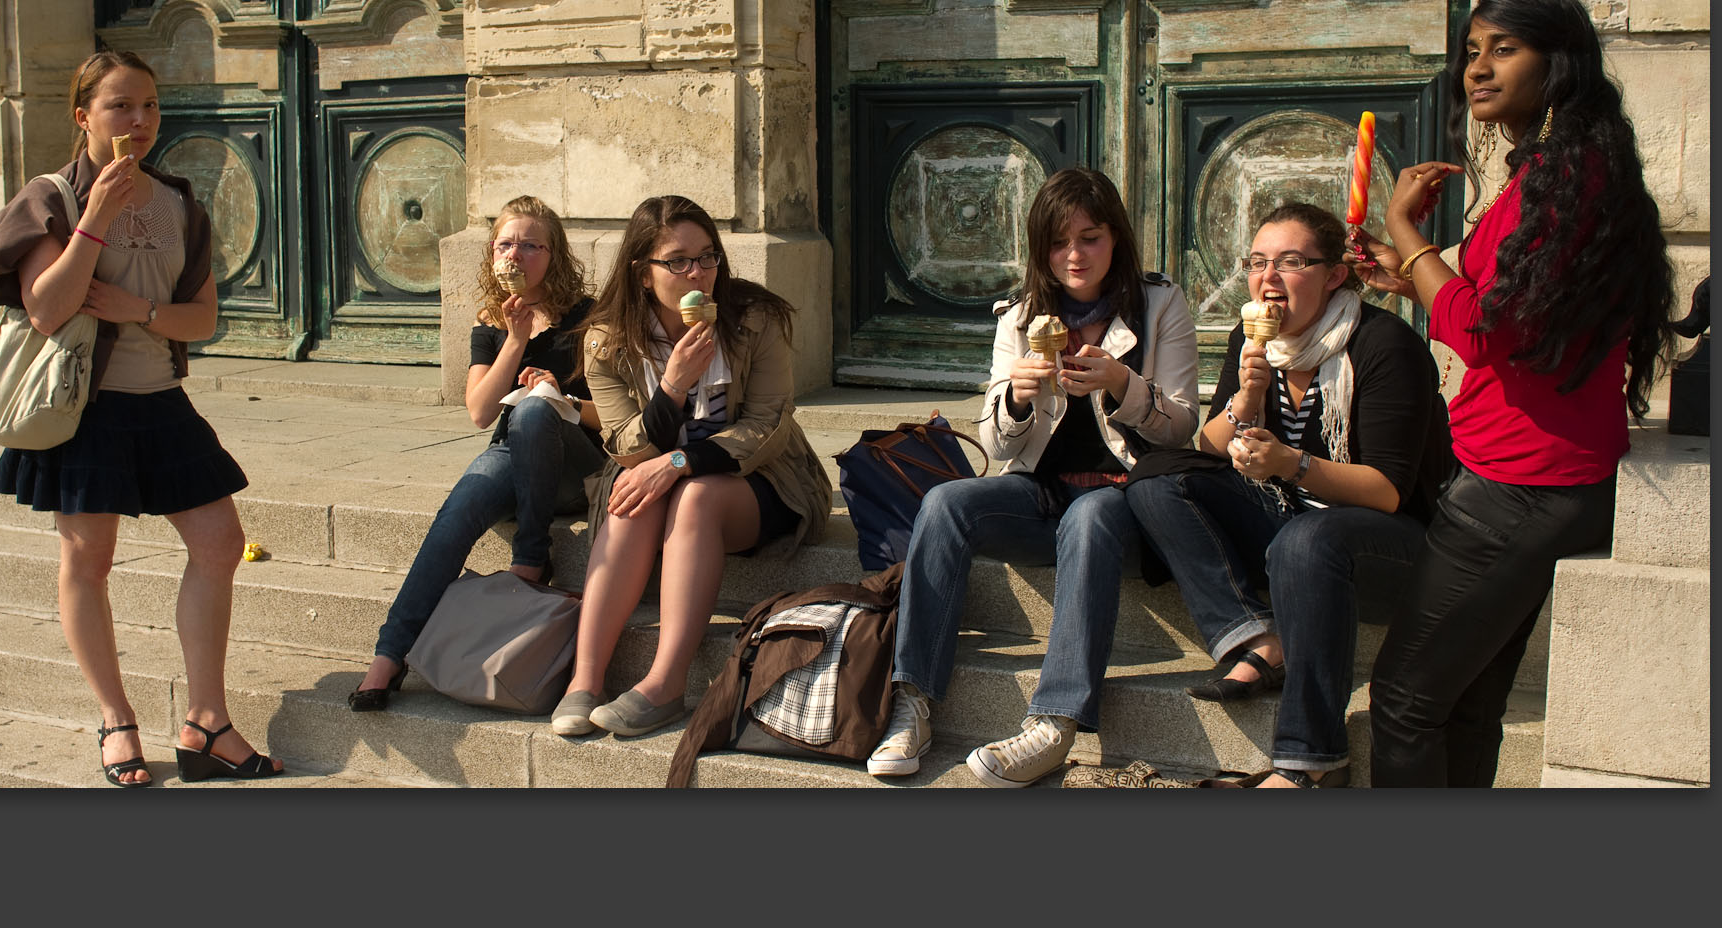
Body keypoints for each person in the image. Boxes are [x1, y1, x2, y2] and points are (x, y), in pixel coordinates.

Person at [1349, 0, 1675, 786]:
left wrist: (1407, 234)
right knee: (1463, 702)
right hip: (1535, 476)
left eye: (1504, 48)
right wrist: (1412, 280)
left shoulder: (1559, 179)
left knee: (1402, 698)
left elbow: (1490, 328)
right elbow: (1518, 316)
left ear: (1556, 62)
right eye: (1472, 50)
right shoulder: (1565, 169)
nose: (1479, 68)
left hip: (1519, 486)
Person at [0, 51, 279, 784]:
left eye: (148, 105)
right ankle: (116, 720)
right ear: (83, 115)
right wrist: (98, 218)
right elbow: (48, 310)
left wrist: (140, 310)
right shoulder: (49, 198)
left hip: (161, 400)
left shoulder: (180, 202)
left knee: (219, 542)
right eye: (120, 107)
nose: (139, 121)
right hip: (82, 406)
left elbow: (202, 318)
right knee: (89, 560)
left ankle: (206, 722)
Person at [867, 167, 1201, 786]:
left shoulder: (1159, 305)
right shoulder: (1022, 316)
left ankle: (1054, 723)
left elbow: (1181, 428)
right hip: (1042, 497)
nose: (1074, 255)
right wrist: (1017, 398)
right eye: (1057, 242)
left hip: (1124, 506)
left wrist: (1123, 385)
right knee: (945, 502)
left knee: (1091, 513)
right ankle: (911, 701)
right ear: (1039, 250)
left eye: (1090, 238)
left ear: (1116, 240)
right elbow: (996, 445)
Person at [1126, 202, 1453, 788]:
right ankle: (1258, 633)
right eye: (1257, 262)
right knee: (1156, 475)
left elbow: (1386, 492)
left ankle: (1311, 763)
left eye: (1291, 262)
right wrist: (1245, 402)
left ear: (1335, 276)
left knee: (1307, 541)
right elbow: (1208, 447)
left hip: (1386, 542)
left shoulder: (1383, 345)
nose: (1267, 278)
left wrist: (1292, 464)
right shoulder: (1251, 338)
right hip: (1291, 524)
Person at [551, 195, 831, 737]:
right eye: (677, 261)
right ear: (642, 274)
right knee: (633, 493)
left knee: (691, 493)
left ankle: (665, 683)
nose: (697, 271)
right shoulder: (607, 339)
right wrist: (673, 385)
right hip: (655, 479)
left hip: (762, 482)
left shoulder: (757, 317)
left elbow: (768, 425)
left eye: (707, 257)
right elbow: (627, 448)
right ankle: (584, 680)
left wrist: (680, 461)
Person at [348, 196, 605, 711]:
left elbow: (621, 414)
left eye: (531, 245)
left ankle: (531, 557)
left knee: (535, 411)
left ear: (553, 254)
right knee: (458, 511)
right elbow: (480, 412)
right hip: (514, 453)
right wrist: (514, 340)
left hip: (578, 460)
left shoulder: (588, 317)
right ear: (491, 253)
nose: (517, 256)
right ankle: (389, 655)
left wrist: (563, 396)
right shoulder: (491, 319)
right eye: (506, 245)